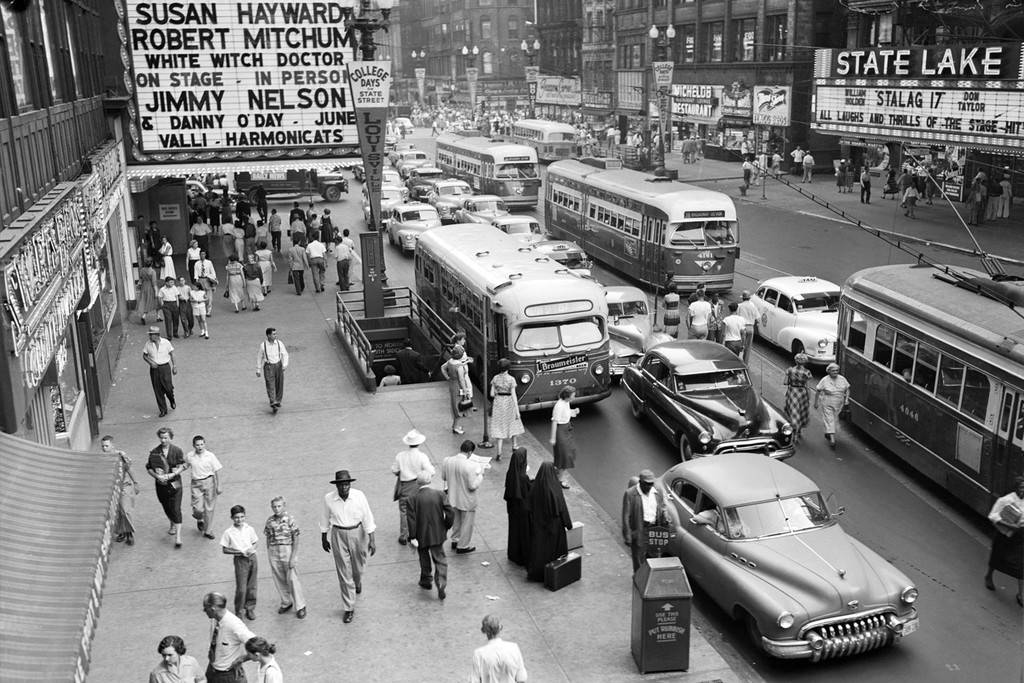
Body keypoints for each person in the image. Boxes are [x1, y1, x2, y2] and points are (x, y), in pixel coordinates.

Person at [319, 469, 377, 623]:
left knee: (358, 567)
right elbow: (325, 518)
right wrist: (324, 537)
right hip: (338, 534)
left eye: (346, 484)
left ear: (350, 484)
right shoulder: (329, 499)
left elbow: (367, 516)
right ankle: (349, 608)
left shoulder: (359, 496)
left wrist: (372, 538)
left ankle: (357, 581)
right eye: (341, 485)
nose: (344, 487)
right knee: (344, 573)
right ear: (336, 486)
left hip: (357, 533)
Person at [407, 471, 454, 600]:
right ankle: (441, 583)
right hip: (437, 533)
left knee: (424, 558)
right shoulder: (439, 494)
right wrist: (446, 526)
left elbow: (411, 520)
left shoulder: (412, 498)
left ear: (417, 482)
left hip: (420, 534)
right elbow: (450, 512)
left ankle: (426, 579)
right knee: (440, 559)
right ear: (429, 481)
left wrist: (412, 537)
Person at [526, 462, 573, 582]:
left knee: (539, 550)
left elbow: (529, 507)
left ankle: (538, 573)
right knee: (553, 551)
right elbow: (562, 508)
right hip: (554, 527)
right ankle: (554, 574)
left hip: (539, 526)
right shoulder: (555, 488)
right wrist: (568, 524)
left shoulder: (535, 488)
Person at [264, 496, 307, 619]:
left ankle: (300, 606)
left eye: (279, 506)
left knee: (292, 578)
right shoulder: (270, 521)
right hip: (274, 550)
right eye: (274, 507)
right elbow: (268, 536)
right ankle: (286, 602)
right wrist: (269, 552)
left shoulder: (290, 519)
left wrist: (293, 556)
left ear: (284, 506)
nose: (277, 509)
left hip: (287, 549)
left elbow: (296, 537)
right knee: (279, 578)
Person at [391, 429, 436, 545]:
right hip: (418, 486)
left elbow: (394, 470)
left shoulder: (400, 456)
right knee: (419, 510)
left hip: (405, 486)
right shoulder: (422, 456)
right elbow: (431, 471)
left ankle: (404, 535)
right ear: (419, 443)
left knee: (404, 511)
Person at [984, 476, 1024, 607]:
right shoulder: (1006, 500)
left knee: (1021, 565)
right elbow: (993, 516)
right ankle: (989, 576)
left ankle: (1021, 594)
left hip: (1019, 537)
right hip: (1004, 534)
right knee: (996, 557)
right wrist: (1009, 525)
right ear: (1016, 488)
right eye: (1021, 487)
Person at [146, 427, 187, 548]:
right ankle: (172, 523)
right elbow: (149, 468)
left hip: (175, 483)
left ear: (171, 438)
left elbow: (182, 465)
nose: (163, 440)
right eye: (161, 438)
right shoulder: (154, 452)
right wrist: (157, 476)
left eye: (166, 438)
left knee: (176, 508)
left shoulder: (177, 450)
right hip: (161, 485)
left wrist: (173, 474)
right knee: (166, 507)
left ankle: (178, 537)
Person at [202, 592, 255, 683]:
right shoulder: (216, 618)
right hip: (212, 669)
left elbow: (257, 644)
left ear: (213, 609)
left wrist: (241, 659)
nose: (204, 611)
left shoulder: (234, 624)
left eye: (205, 608)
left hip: (228, 675)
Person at [443, 440, 484, 554]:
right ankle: (463, 545)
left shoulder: (447, 461)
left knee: (456, 520)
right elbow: (472, 486)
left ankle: (455, 540)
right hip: (467, 499)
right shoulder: (471, 465)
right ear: (470, 452)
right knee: (467, 523)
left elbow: (444, 477)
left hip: (453, 496)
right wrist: (480, 476)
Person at [622, 469, 667, 573]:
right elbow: (625, 516)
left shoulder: (657, 491)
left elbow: (663, 506)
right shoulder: (630, 494)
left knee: (655, 557)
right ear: (640, 482)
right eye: (646, 484)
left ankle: (651, 579)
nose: (649, 486)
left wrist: (665, 515)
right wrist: (627, 535)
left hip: (654, 529)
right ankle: (639, 579)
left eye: (651, 484)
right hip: (640, 530)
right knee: (639, 560)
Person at [221, 504, 259, 620]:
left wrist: (251, 549)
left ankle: (250, 608)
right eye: (237, 517)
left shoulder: (249, 529)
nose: (240, 520)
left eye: (242, 517)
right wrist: (239, 552)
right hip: (240, 560)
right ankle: (239, 610)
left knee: (252, 585)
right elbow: (225, 549)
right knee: (241, 588)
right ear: (232, 518)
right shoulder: (229, 532)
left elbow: (255, 542)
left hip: (252, 557)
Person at [101, 435, 139, 546]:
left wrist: (136, 483)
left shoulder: (121, 456)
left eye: (107, 446)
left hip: (124, 486)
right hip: (111, 489)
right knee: (116, 512)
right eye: (103, 446)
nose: (104, 448)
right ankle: (121, 531)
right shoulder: (102, 459)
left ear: (112, 445)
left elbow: (129, 469)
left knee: (125, 510)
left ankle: (129, 533)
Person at [470, 615, 528, 683]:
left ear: (484, 631)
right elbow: (521, 679)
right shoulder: (514, 648)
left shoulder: (478, 654)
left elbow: (474, 681)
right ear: (500, 628)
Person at [187, 435, 223, 539]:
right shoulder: (190, 456)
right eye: (197, 445)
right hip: (196, 484)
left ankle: (208, 531)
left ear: (204, 444)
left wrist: (219, 485)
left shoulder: (210, 456)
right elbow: (184, 465)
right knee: (198, 509)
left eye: (202, 444)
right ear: (194, 445)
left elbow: (217, 470)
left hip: (209, 482)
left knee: (209, 508)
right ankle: (199, 518)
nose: (200, 447)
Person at [489, 358, 525, 461]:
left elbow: (492, 394)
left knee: (499, 427)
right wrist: (517, 410)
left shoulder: (495, 378)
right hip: (509, 403)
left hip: (498, 403)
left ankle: (499, 453)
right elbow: (514, 396)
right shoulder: (511, 379)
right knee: (513, 423)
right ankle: (514, 445)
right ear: (508, 368)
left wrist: (497, 392)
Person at [503, 447, 532, 568]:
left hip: (513, 509)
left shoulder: (511, 473)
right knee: (523, 533)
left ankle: (513, 554)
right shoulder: (523, 477)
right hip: (523, 510)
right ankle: (522, 556)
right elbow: (528, 491)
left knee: (514, 531)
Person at [549, 386, 579, 490]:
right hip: (560, 432)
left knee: (568, 453)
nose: (574, 397)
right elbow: (555, 421)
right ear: (567, 396)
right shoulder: (559, 405)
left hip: (566, 429)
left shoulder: (566, 403)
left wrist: (574, 411)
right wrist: (553, 438)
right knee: (565, 456)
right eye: (573, 396)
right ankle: (560, 480)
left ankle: (557, 474)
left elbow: (566, 413)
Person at [143, 326, 177, 417]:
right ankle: (163, 410)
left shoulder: (166, 343)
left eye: (151, 335)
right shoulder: (148, 344)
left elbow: (172, 353)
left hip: (165, 368)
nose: (150, 337)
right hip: (154, 369)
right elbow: (144, 356)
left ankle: (172, 399)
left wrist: (174, 366)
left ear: (157, 335)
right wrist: (150, 362)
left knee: (168, 388)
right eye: (149, 335)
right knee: (157, 390)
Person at [814, 363, 850, 448]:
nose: (835, 372)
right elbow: (818, 391)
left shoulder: (842, 379)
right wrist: (816, 402)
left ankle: (828, 432)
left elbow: (847, 389)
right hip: (827, 402)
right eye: (833, 371)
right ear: (829, 371)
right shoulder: (824, 380)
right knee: (829, 419)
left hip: (839, 403)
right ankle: (832, 440)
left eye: (837, 370)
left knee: (835, 418)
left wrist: (847, 399)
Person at [441, 345, 473, 434]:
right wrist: (465, 391)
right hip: (458, 387)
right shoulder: (459, 366)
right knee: (458, 407)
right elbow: (461, 379)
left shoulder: (450, 362)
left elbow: (442, 368)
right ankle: (455, 427)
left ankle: (456, 425)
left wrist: (447, 377)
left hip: (452, 384)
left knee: (455, 405)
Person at [256, 327, 289, 413]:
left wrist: (285, 364)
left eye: (275, 334)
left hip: (278, 365)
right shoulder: (263, 345)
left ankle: (278, 400)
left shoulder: (279, 343)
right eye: (274, 334)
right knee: (270, 384)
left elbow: (285, 354)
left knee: (279, 384)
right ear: (268, 335)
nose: (275, 335)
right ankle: (273, 401)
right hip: (268, 366)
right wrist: (258, 369)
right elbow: (259, 357)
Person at [784, 353, 813, 443]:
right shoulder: (807, 372)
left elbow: (785, 382)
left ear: (795, 361)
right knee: (801, 412)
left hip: (792, 392)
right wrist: (809, 398)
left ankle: (795, 433)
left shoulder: (790, 370)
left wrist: (788, 376)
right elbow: (808, 387)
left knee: (793, 412)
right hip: (802, 393)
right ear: (805, 362)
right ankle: (798, 430)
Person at [736, 290, 759, 364]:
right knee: (748, 347)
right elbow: (758, 319)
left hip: (742, 327)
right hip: (751, 328)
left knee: (740, 344)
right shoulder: (753, 306)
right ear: (749, 298)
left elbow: (736, 317)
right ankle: (745, 363)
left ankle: (737, 361)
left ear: (743, 298)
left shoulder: (740, 306)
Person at [193, 251, 218, 317]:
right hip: (200, 279)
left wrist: (214, 280)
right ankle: (203, 309)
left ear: (205, 255)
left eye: (203, 254)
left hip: (207, 279)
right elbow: (195, 273)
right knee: (202, 295)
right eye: (201, 254)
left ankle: (209, 311)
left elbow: (212, 271)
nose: (202, 255)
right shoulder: (197, 263)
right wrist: (196, 281)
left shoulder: (209, 262)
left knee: (209, 296)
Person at [137, 258, 161, 325]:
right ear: (152, 263)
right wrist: (156, 291)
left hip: (144, 287)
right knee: (156, 302)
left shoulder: (142, 270)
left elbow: (140, 279)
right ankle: (156, 316)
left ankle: (157, 316)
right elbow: (154, 282)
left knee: (146, 302)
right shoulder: (152, 272)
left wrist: (139, 285)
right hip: (150, 287)